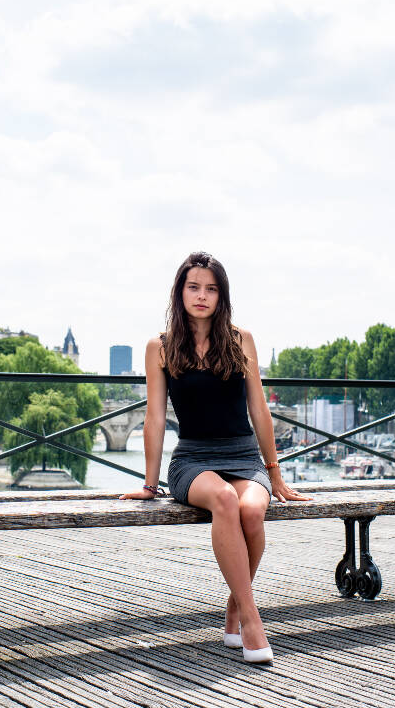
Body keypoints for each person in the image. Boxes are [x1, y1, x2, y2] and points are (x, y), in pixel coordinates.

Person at [121, 251, 310, 664]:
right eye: (194, 287)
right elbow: (154, 419)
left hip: (243, 456)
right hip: (192, 460)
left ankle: (234, 604)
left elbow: (259, 409)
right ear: (180, 292)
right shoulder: (161, 348)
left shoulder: (242, 340)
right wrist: (150, 485)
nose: (202, 296)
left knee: (252, 511)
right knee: (224, 500)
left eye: (211, 288)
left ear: (222, 295)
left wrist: (275, 475)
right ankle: (253, 618)